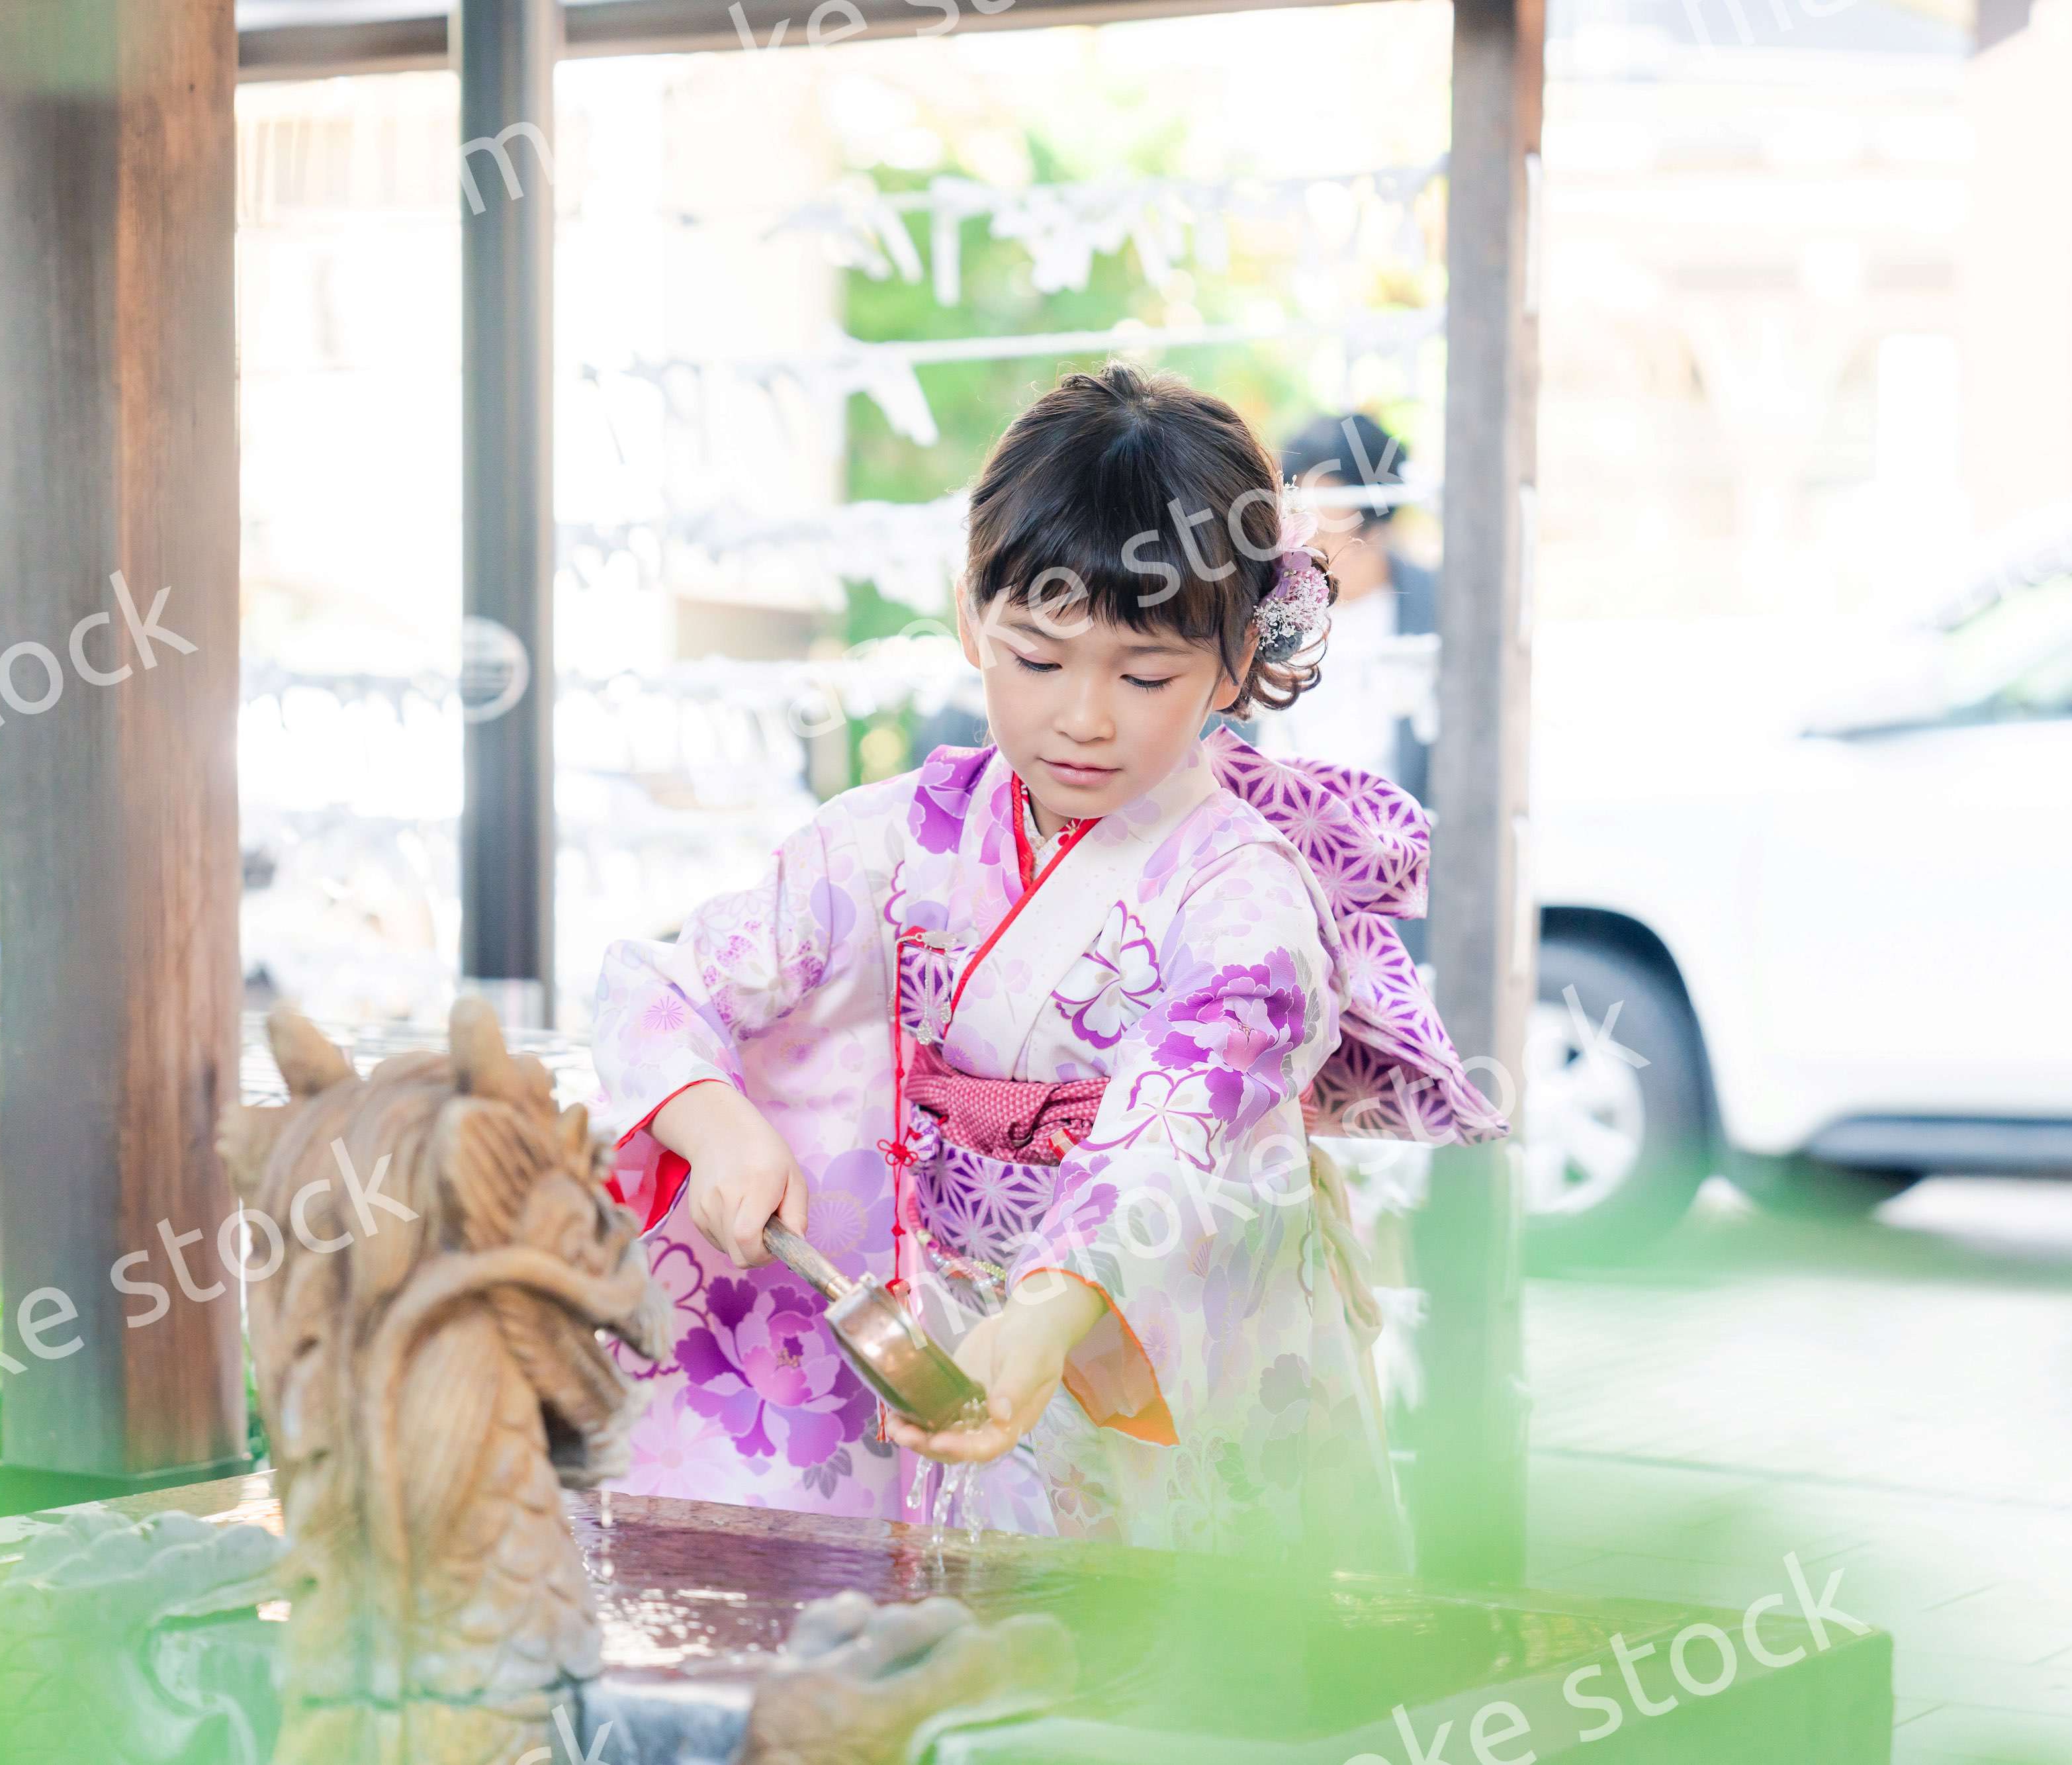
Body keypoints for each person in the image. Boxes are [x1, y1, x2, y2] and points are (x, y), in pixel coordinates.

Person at [592, 364, 1504, 1561]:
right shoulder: (889, 839)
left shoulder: (1245, 891)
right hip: (966, 1316)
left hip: (1185, 1313)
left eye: (1145, 674)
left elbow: (1175, 1119)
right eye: (1037, 658)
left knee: (1206, 1685)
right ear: (973, 617)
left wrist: (1054, 1299)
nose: (1083, 716)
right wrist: (715, 1123)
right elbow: (668, 985)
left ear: (1234, 662)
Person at [1275, 412, 1436, 803]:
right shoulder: (1262, 606)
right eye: (1298, 521)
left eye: (1327, 523)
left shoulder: (1441, 606)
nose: (1306, 542)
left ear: (1376, 523)